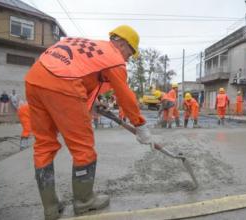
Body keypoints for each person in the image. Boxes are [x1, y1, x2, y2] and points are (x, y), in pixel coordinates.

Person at [25, 25, 153, 219]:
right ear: (121, 43)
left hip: (35, 78)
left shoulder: (91, 49)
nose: (128, 57)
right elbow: (124, 95)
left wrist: (93, 106)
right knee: (83, 148)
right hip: (63, 82)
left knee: (44, 145)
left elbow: (85, 83)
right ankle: (84, 201)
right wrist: (140, 125)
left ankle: (50, 208)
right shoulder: (113, 58)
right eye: (130, 52)